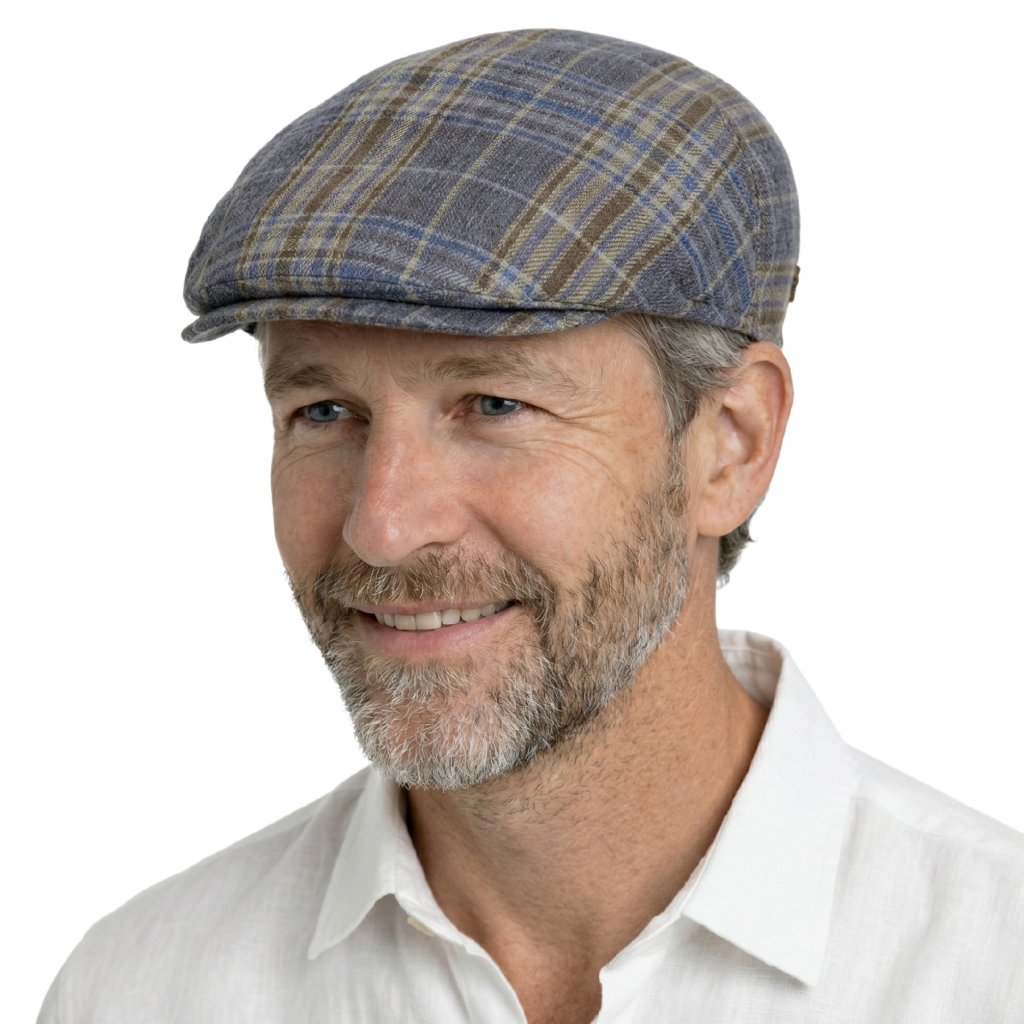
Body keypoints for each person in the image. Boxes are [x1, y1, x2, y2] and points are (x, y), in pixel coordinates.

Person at [39, 28, 1023, 1023]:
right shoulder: (142, 992)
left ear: (730, 443)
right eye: (324, 411)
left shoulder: (990, 969)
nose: (383, 527)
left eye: (495, 405)